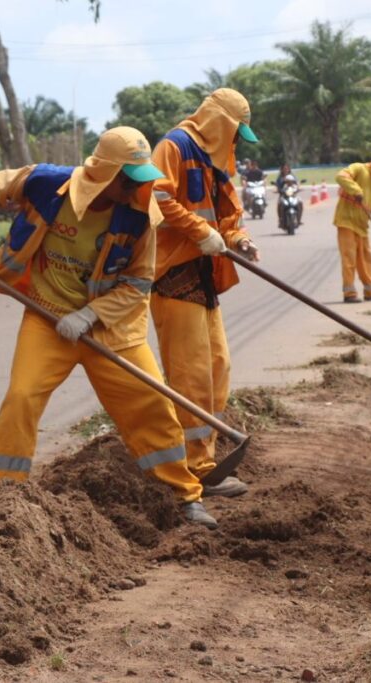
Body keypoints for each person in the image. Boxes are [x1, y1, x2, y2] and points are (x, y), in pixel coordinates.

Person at [0, 126, 218, 529]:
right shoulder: (46, 184)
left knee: (151, 405)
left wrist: (91, 315)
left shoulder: (140, 216)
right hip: (46, 316)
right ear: (104, 172)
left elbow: (139, 283)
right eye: (128, 179)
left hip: (112, 328)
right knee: (21, 398)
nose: (134, 189)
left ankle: (184, 497)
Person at [150, 88, 261, 498]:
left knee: (217, 368)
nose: (235, 144)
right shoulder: (175, 146)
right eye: (235, 134)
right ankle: (193, 467)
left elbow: (227, 217)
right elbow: (156, 198)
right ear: (221, 124)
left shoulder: (216, 162)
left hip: (203, 277)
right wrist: (201, 232)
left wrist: (239, 239)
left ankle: (206, 458)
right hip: (171, 278)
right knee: (191, 377)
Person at [333, 152, 371, 303]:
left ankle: (370, 291)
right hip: (346, 221)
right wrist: (356, 190)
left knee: (366, 258)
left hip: (362, 225)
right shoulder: (359, 169)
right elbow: (340, 176)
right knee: (349, 257)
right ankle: (349, 293)